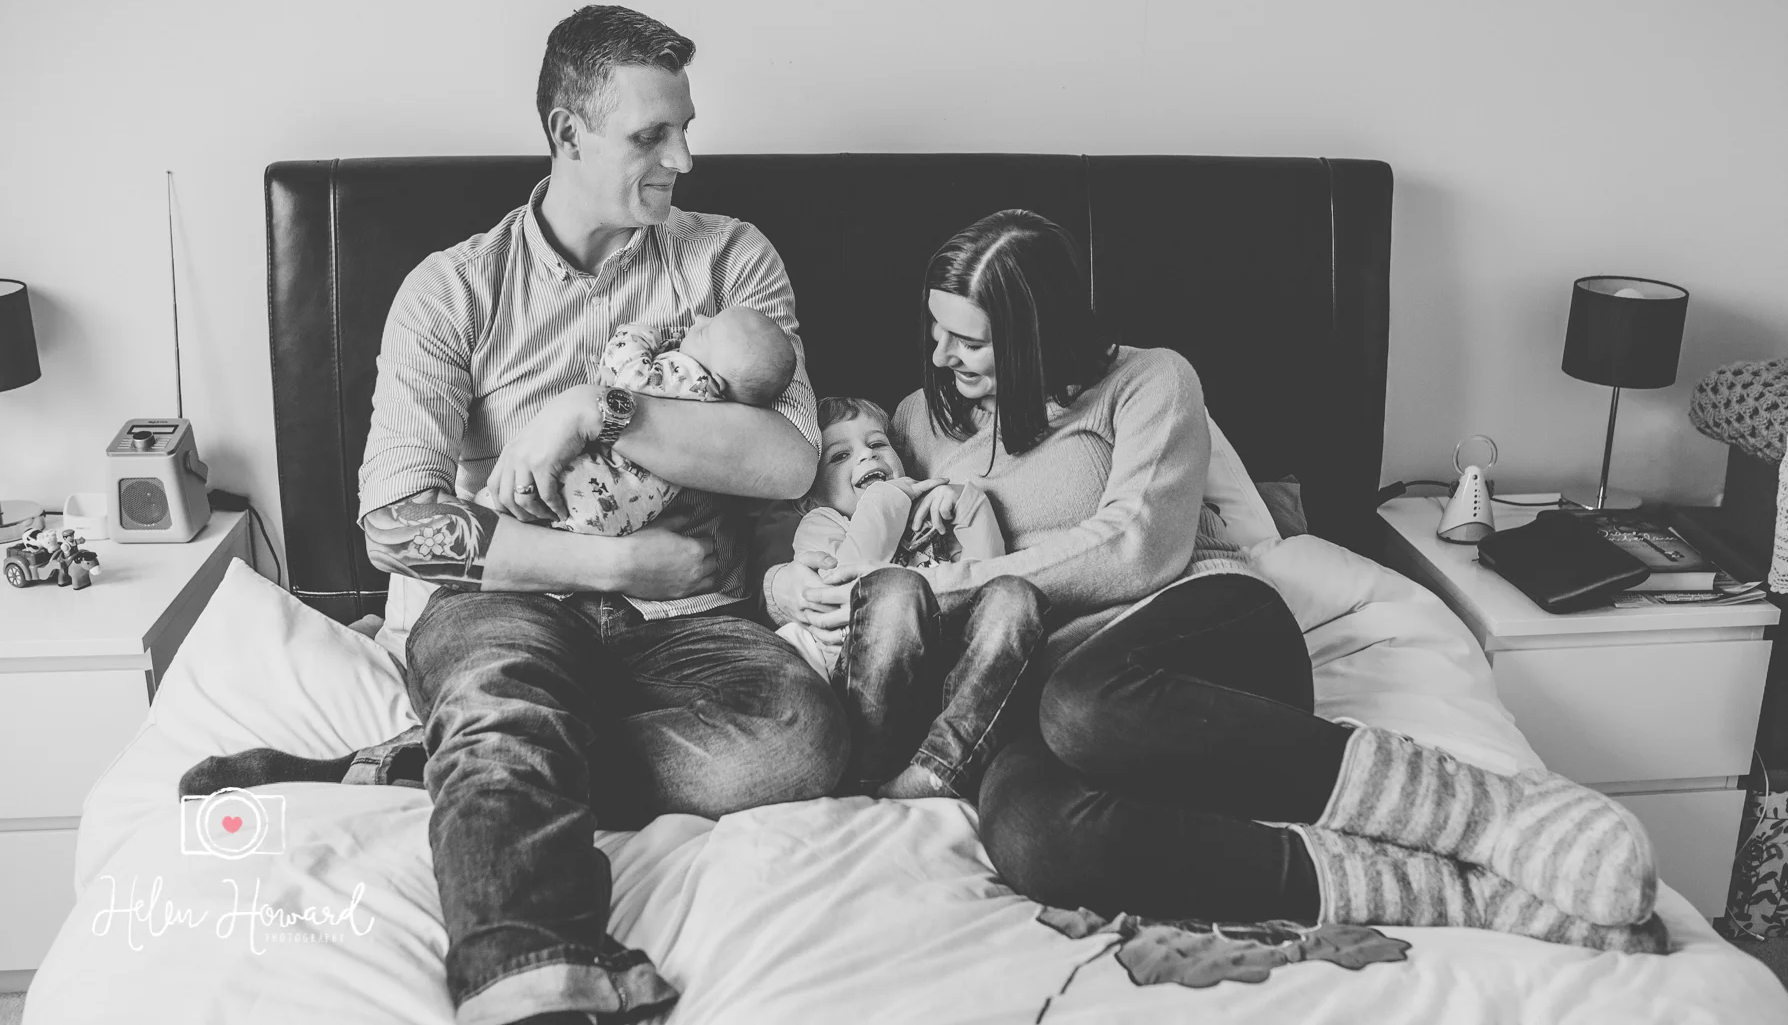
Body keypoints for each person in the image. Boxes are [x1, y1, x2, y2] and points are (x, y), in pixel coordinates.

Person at [185, 6, 847, 1025]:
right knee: (504, 690)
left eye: (684, 128)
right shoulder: (452, 291)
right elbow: (399, 522)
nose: (683, 158)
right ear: (565, 130)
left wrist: (599, 409)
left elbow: (791, 464)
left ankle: (444, 762)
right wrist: (622, 568)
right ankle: (531, 971)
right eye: (650, 136)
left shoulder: (732, 264)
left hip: (693, 626)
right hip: (507, 599)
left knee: (801, 742)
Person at [768, 209, 1666, 953]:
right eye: (936, 329)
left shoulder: (1147, 381)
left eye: (969, 339)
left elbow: (1136, 550)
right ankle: (1444, 890)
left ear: (1035, 331)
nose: (942, 354)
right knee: (1035, 838)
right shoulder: (921, 421)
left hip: (1196, 632)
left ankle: (1485, 811)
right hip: (1031, 691)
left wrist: (964, 577)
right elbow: (848, 531)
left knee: (1088, 703)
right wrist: (792, 589)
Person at [778, 395, 1045, 800]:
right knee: (896, 589)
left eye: (877, 444)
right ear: (807, 496)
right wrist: (887, 499)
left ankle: (937, 769)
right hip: (873, 696)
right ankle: (871, 774)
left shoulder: (933, 513)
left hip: (950, 687)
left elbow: (988, 576)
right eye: (840, 456)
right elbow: (842, 589)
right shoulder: (821, 523)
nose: (866, 457)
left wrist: (966, 505)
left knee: (1015, 597)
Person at [485, 308, 796, 536]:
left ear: (714, 378)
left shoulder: (689, 375)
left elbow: (632, 375)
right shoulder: (718, 400)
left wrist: (637, 335)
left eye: (704, 332)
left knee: (501, 501)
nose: (699, 318)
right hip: (629, 510)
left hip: (604, 486)